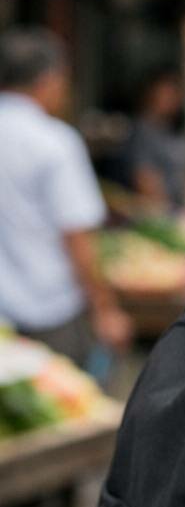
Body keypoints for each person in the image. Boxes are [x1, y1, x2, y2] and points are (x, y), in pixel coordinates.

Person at [0, 27, 131, 366]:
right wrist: (105, 310)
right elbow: (77, 237)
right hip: (49, 311)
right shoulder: (55, 141)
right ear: (49, 79)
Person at [121, 65, 185, 212]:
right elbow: (144, 178)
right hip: (155, 212)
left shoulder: (176, 128)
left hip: (180, 207)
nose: (170, 99)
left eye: (174, 94)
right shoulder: (143, 131)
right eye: (165, 93)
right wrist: (169, 212)